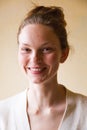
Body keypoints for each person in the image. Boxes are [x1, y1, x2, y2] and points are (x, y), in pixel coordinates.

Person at [0, 5, 87, 130]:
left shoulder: (84, 112)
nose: (35, 59)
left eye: (46, 49)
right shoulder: (2, 115)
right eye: (26, 49)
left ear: (64, 54)